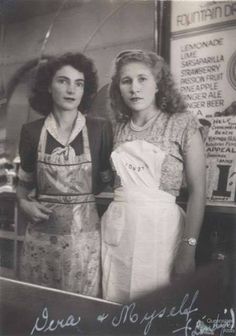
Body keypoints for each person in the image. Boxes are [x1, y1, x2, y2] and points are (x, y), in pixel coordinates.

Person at [101, 50, 206, 303]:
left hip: (162, 234)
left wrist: (188, 248)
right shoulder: (114, 128)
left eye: (142, 79)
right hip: (118, 232)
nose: (134, 88)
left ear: (158, 83)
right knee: (115, 308)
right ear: (118, 88)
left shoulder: (183, 123)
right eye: (126, 81)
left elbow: (198, 191)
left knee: (156, 310)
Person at [17, 52, 113, 297]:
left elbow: (105, 182)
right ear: (48, 87)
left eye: (78, 83)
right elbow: (23, 187)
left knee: (79, 312)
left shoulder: (100, 129)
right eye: (63, 81)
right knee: (38, 309)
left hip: (85, 240)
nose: (71, 90)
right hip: (41, 238)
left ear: (85, 89)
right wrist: (24, 204)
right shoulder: (31, 132)